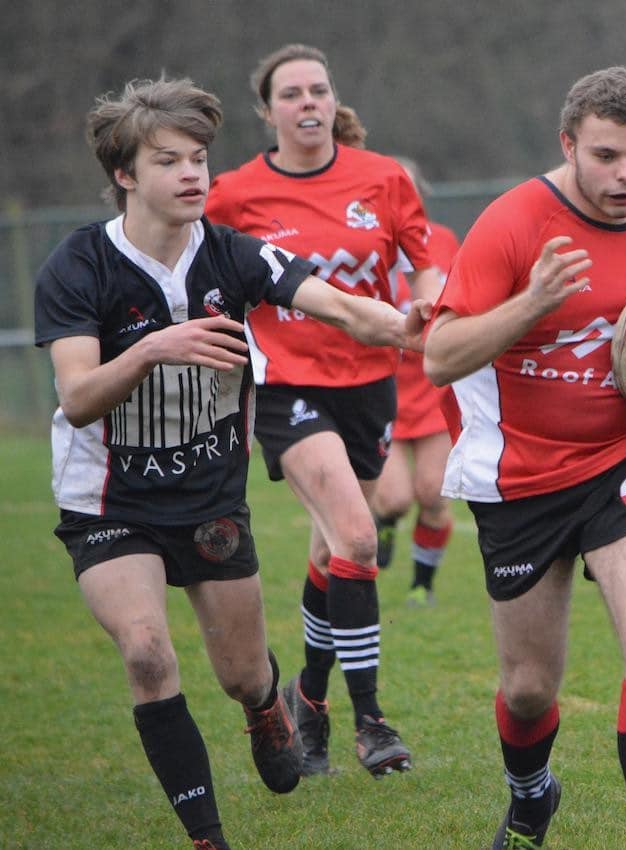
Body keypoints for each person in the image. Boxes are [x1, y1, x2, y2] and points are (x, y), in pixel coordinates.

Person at [33, 77, 427, 850]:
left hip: (210, 496)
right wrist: (154, 347)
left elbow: (344, 306)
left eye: (199, 159)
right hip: (110, 503)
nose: (191, 175)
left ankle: (262, 706)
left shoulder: (234, 254)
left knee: (245, 675)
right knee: (147, 651)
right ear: (125, 175)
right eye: (168, 161)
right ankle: (207, 836)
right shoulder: (78, 265)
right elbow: (78, 397)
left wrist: (416, 328)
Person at [423, 66, 626, 850]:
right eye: (606, 155)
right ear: (568, 145)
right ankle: (531, 795)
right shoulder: (513, 223)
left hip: (624, 456)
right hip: (518, 477)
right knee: (529, 691)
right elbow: (438, 356)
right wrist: (533, 302)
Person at [205, 44, 439, 779]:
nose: (307, 104)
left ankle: (309, 696)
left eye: (318, 90)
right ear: (267, 110)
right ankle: (371, 721)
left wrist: (429, 294)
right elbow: (189, 257)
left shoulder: (383, 177)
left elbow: (424, 257)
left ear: (333, 100)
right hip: (287, 385)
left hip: (371, 384)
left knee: (331, 553)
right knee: (360, 537)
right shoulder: (234, 193)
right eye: (291, 94)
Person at [370, 156, 459, 608]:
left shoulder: (443, 242)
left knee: (433, 492)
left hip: (431, 388)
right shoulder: (363, 246)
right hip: (380, 387)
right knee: (396, 498)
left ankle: (422, 586)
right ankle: (384, 521)